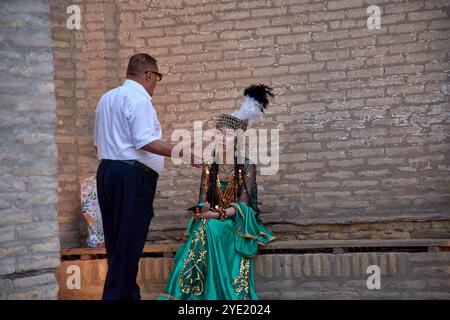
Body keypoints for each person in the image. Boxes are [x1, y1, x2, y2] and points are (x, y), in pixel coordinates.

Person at [94, 53, 202, 300]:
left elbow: (100, 142)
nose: (155, 84)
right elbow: (145, 141)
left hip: (107, 173)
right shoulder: (139, 100)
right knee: (128, 246)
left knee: (118, 245)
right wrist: (184, 152)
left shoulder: (106, 98)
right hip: (132, 178)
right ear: (149, 75)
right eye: (157, 78)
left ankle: (129, 295)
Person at [157, 84, 276, 300]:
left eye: (227, 135)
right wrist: (204, 209)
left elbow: (244, 205)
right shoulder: (210, 166)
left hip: (237, 220)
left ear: (238, 139)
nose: (221, 138)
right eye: (219, 133)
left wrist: (218, 214)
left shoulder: (246, 166)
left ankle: (205, 293)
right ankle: (195, 291)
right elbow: (202, 199)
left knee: (209, 226)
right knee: (205, 224)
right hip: (211, 218)